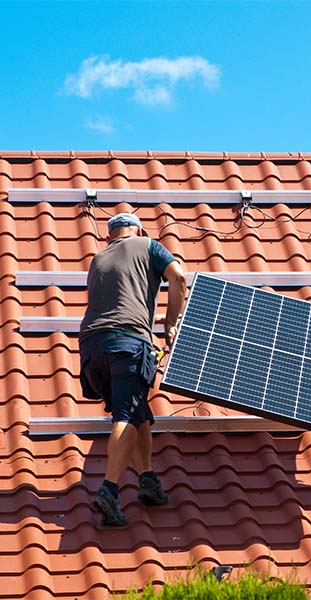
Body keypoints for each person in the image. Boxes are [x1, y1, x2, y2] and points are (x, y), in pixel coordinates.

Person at [79, 212, 187, 526]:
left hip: (91, 348)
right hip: (127, 341)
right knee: (125, 415)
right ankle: (110, 490)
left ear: (110, 236)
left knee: (138, 410)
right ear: (138, 230)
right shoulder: (149, 245)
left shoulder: (99, 258)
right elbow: (179, 278)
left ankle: (148, 479)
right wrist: (169, 324)